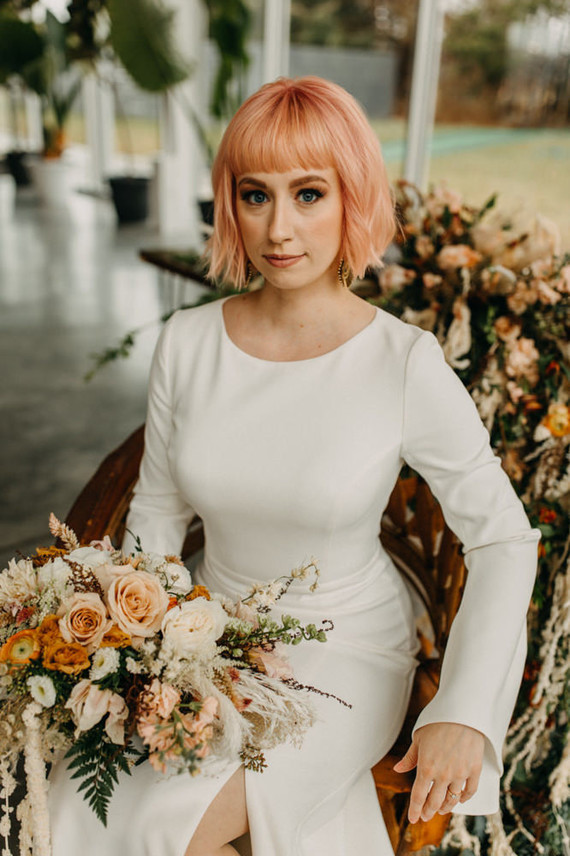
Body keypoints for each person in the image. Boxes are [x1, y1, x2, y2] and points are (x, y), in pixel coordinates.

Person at [48, 76, 540, 856]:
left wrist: (463, 710)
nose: (279, 228)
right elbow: (157, 514)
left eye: (309, 194)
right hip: (204, 637)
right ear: (230, 204)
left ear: (352, 199)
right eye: (256, 195)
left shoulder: (402, 362)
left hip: (345, 653)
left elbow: (504, 539)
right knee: (74, 808)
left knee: (166, 829)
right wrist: (139, 646)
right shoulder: (188, 343)